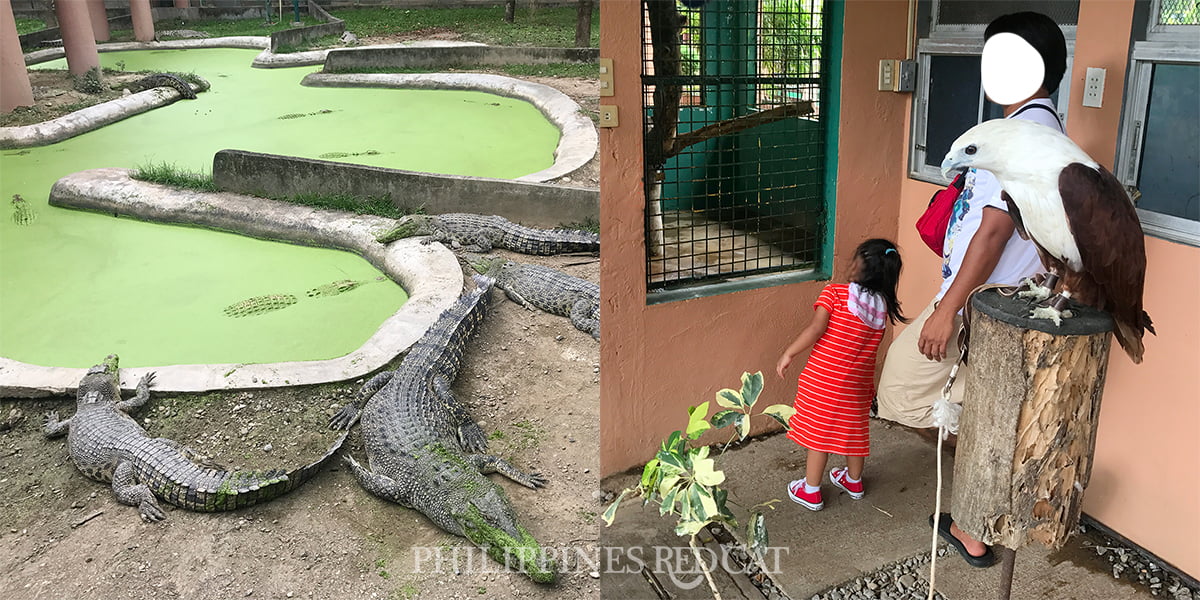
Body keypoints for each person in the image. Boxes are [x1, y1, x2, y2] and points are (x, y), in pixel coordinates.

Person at [874, 12, 1069, 567]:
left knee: (905, 387)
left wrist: (947, 311)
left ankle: (980, 511)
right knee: (981, 407)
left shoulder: (1022, 138)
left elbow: (992, 231)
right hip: (995, 301)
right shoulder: (1038, 131)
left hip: (984, 302)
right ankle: (975, 521)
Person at [776, 239, 908, 511]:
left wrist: (789, 352)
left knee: (818, 435)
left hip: (824, 380)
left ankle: (810, 490)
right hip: (858, 385)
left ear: (861, 264)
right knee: (855, 431)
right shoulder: (882, 308)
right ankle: (854, 481)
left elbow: (815, 329)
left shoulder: (835, 294)